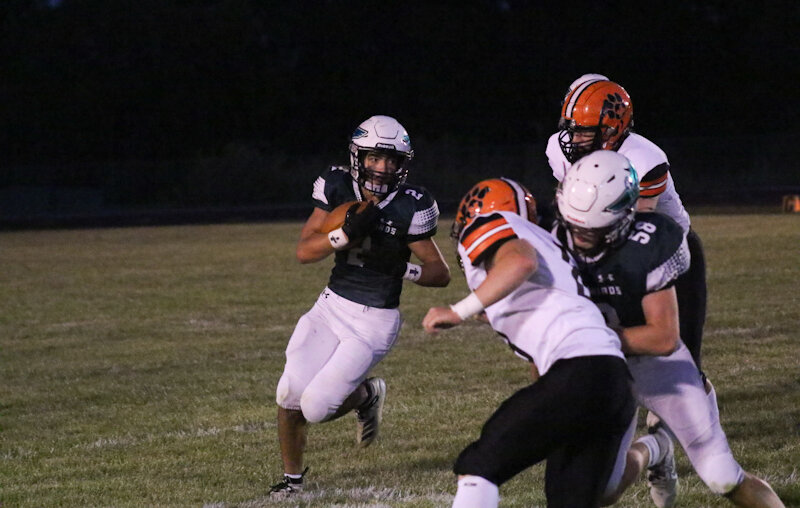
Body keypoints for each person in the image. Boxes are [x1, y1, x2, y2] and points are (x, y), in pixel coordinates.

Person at [554, 150, 784, 508]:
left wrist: (594, 339)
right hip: (605, 370)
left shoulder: (652, 242)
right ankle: (657, 447)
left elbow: (662, 337)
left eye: (594, 226)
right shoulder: (553, 238)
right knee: (600, 492)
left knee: (723, 476)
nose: (582, 235)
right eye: (576, 222)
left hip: (656, 366)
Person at [422, 177, 637, 508]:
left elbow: (520, 262)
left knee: (478, 469)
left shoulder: (491, 222)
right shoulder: (553, 247)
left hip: (579, 371)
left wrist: (458, 310)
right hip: (614, 383)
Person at [269, 115, 451, 497]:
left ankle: (368, 395)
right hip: (330, 307)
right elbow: (305, 251)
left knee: (316, 407)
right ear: (358, 157)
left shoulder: (409, 204)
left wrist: (402, 268)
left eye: (391, 160)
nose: (382, 168)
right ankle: (292, 484)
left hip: (374, 320)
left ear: (404, 164)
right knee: (289, 393)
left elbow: (439, 273)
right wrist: (341, 235)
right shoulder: (337, 186)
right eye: (374, 158)